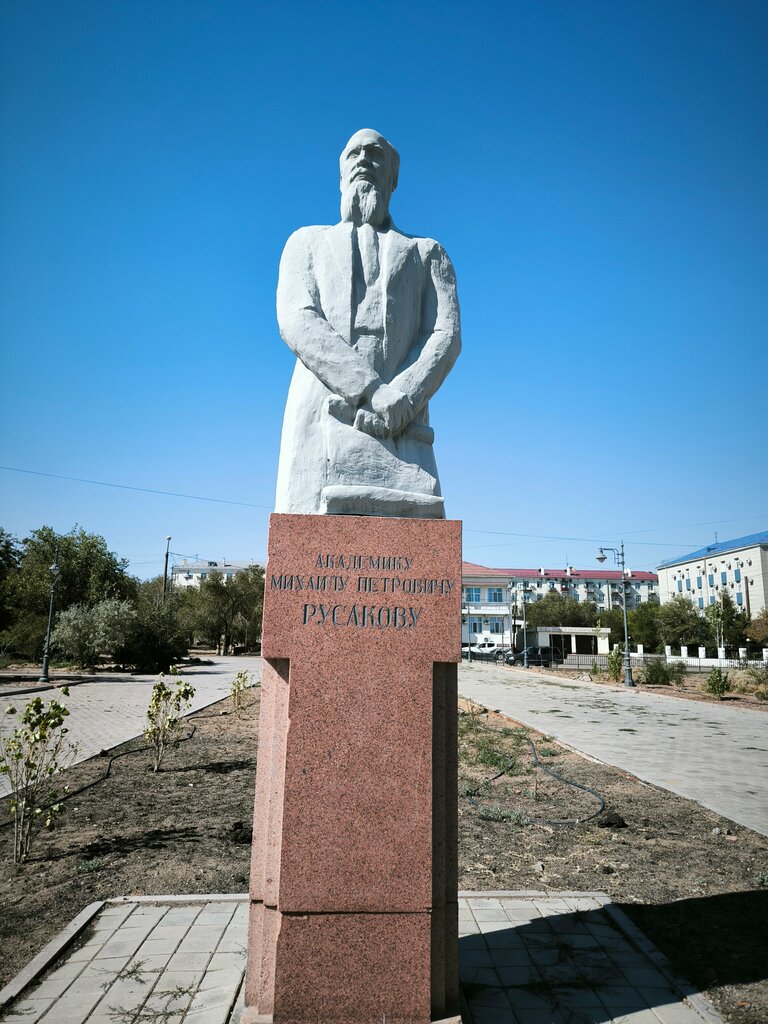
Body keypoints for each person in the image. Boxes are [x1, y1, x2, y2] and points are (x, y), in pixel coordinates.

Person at [274, 128, 461, 518]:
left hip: (402, 419)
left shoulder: (427, 253)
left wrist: (403, 398)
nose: (363, 159)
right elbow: (298, 319)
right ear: (341, 174)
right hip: (322, 407)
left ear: (393, 176)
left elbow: (445, 334)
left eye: (375, 154)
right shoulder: (305, 243)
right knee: (307, 520)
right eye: (353, 153)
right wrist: (372, 391)